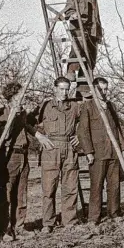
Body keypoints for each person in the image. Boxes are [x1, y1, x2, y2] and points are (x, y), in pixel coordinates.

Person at [77, 77, 124, 225]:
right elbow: (82, 131)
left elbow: (117, 129)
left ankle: (114, 213)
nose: (104, 92)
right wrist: (88, 152)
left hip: (113, 152)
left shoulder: (111, 106)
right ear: (94, 90)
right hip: (97, 154)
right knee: (97, 185)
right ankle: (94, 217)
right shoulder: (88, 106)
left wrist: (123, 149)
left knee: (114, 185)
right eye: (101, 89)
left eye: (106, 89)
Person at [34, 77, 81, 234]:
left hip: (69, 148)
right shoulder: (45, 106)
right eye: (61, 89)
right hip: (51, 148)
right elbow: (28, 122)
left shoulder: (74, 106)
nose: (64, 92)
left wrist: (79, 135)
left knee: (70, 186)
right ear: (54, 89)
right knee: (49, 187)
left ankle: (69, 220)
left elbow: (85, 122)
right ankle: (48, 223)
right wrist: (39, 137)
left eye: (67, 89)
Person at [0, 81, 36, 241]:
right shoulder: (1, 113)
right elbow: (5, 136)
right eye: (20, 95)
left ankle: (19, 226)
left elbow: (27, 128)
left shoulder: (23, 113)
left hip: (23, 155)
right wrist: (13, 115)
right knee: (5, 194)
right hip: (9, 155)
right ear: (12, 97)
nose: (23, 97)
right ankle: (2, 230)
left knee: (21, 193)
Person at [63, 0, 103, 83]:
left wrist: (99, 32)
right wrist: (74, 14)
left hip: (93, 30)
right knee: (78, 50)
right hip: (79, 29)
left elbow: (96, 15)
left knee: (91, 59)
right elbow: (68, 10)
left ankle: (83, 88)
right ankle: (70, 71)